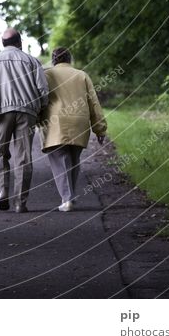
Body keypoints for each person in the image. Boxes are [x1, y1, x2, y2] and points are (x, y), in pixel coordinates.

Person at [0, 28, 49, 213]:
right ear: (20, 42)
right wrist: (40, 109)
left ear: (2, 44)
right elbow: (43, 90)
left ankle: (3, 192)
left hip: (0, 113)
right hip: (26, 112)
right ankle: (20, 202)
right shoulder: (32, 61)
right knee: (23, 157)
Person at [39, 46, 107, 212]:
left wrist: (33, 121)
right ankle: (69, 196)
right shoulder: (82, 75)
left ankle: (67, 199)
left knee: (60, 160)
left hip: (55, 123)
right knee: (73, 161)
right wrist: (100, 128)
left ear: (54, 60)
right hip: (79, 123)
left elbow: (39, 98)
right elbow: (94, 103)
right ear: (70, 60)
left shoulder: (46, 75)